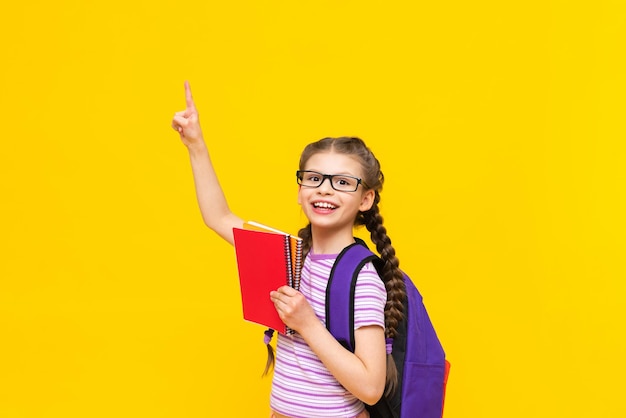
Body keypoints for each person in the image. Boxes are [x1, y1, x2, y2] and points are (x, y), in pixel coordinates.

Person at [171, 81, 406, 418]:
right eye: (314, 178)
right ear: (300, 189)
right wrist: (195, 145)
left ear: (365, 199)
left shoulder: (361, 279)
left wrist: (307, 323)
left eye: (342, 182)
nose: (325, 189)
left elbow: (370, 387)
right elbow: (218, 217)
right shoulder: (290, 256)